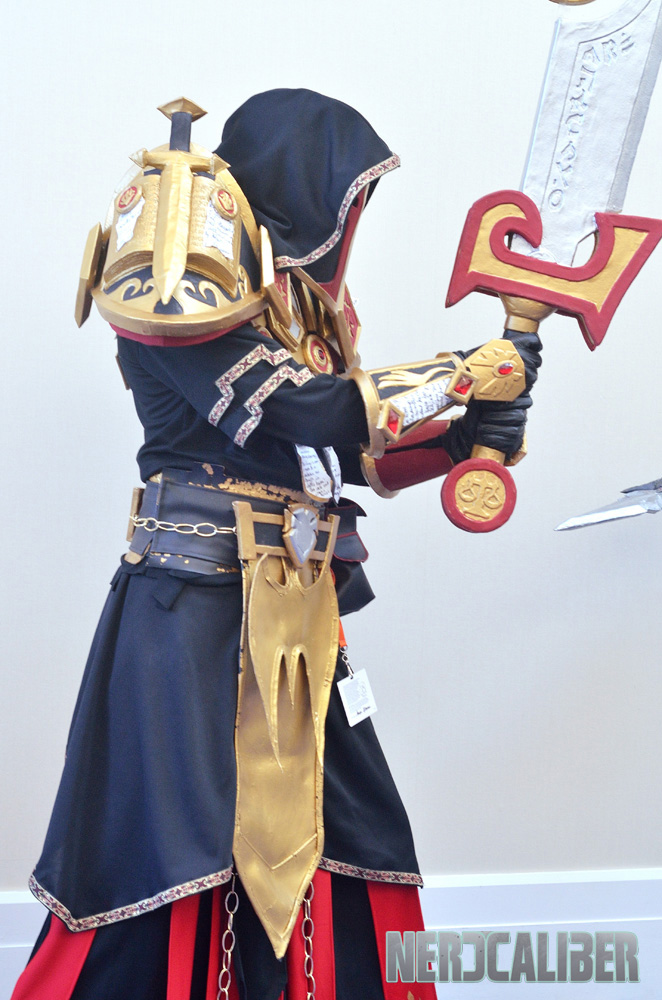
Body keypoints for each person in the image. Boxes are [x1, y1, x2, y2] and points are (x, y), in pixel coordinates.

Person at [11, 90, 542, 1000]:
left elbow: (349, 456)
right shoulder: (176, 282)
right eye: (348, 197)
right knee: (174, 851)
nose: (352, 221)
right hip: (193, 612)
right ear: (304, 191)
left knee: (355, 827)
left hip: (299, 607)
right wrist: (460, 374)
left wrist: (467, 438)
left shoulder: (300, 313)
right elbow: (306, 410)